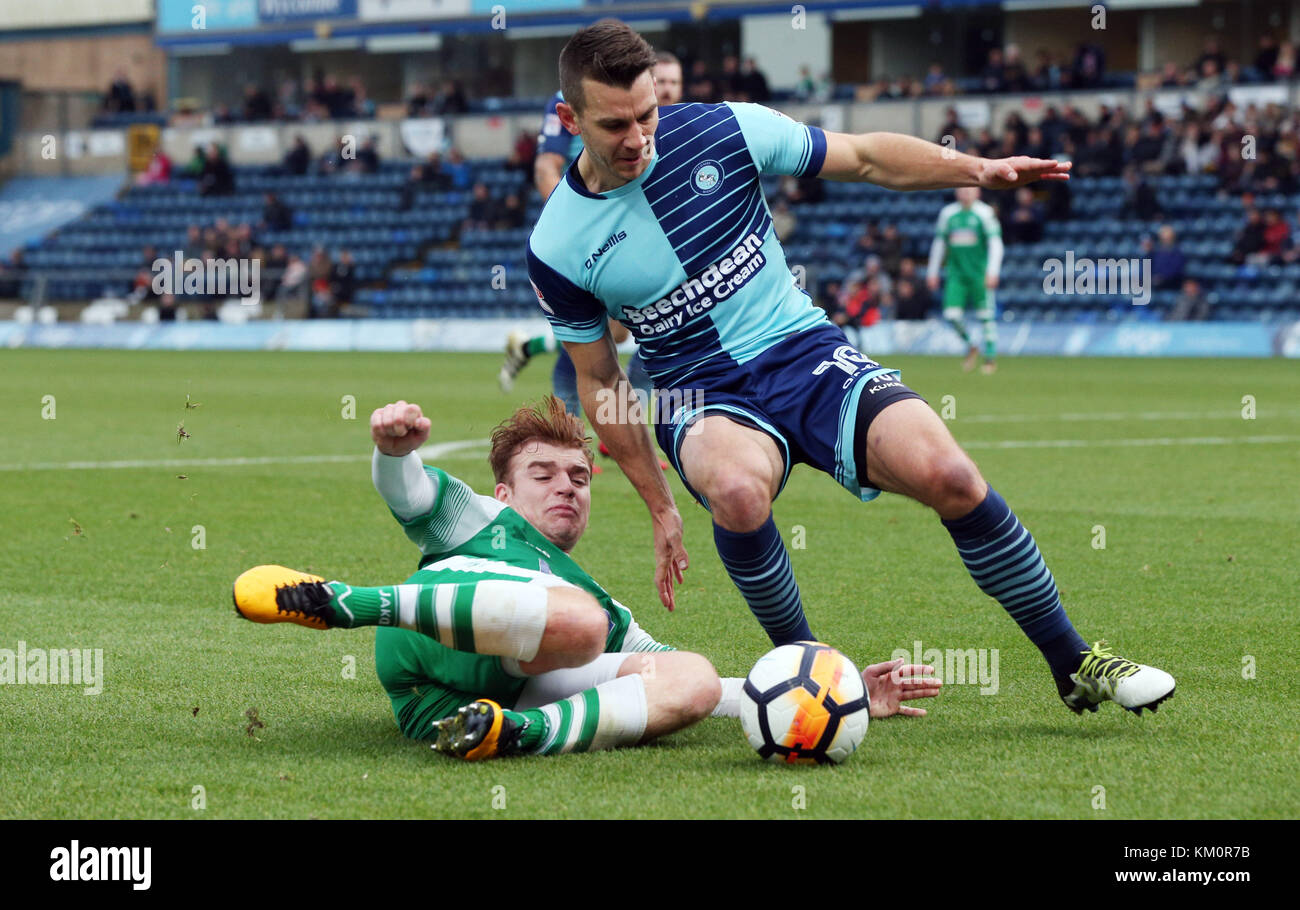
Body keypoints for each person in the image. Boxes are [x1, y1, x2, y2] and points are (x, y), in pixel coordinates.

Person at [525, 19, 1174, 717]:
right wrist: (660, 506)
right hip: (698, 387)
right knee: (739, 495)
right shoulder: (558, 244)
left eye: (647, 114)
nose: (638, 137)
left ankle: (1074, 661)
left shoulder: (724, 129)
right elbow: (601, 383)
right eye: (615, 123)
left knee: (950, 475)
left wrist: (977, 170)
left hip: (803, 351)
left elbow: (864, 157)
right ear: (569, 119)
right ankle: (816, 686)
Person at [232, 398, 943, 759]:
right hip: (422, 641)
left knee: (688, 674)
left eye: (579, 476)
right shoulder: (478, 519)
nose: (566, 487)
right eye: (542, 475)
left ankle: (517, 736)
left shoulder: (598, 599)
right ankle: (341, 603)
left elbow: (689, 686)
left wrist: (838, 697)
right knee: (584, 623)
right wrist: (392, 449)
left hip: (486, 696)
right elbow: (410, 494)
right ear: (506, 492)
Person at [927, 187, 1004, 373]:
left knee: (986, 314)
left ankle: (990, 357)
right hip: (956, 274)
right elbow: (939, 243)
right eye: (962, 189)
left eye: (970, 189)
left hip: (979, 273)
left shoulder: (984, 213)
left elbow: (996, 244)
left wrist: (993, 271)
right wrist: (932, 271)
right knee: (951, 315)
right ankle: (971, 344)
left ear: (978, 192)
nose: (965, 193)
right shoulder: (948, 214)